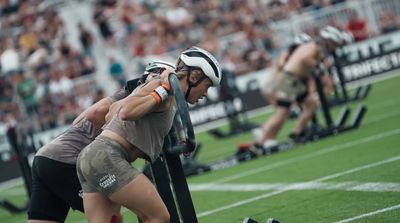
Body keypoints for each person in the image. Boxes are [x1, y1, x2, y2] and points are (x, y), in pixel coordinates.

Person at [76, 46, 221, 223]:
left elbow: (111, 113)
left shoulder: (166, 90)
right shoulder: (162, 86)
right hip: (106, 156)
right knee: (158, 216)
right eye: (206, 86)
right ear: (195, 76)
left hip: (90, 157)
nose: (205, 94)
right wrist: (161, 91)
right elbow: (126, 112)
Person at [27, 61, 175, 223]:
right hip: (69, 160)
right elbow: (92, 114)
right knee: (112, 218)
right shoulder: (132, 94)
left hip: (46, 157)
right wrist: (112, 133)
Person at [256, 26, 344, 148]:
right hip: (289, 80)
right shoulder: (315, 47)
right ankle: (261, 141)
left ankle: (296, 133)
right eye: (335, 44)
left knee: (311, 104)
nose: (334, 48)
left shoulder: (312, 45)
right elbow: (305, 59)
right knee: (282, 113)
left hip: (293, 81)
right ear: (329, 40)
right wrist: (320, 67)